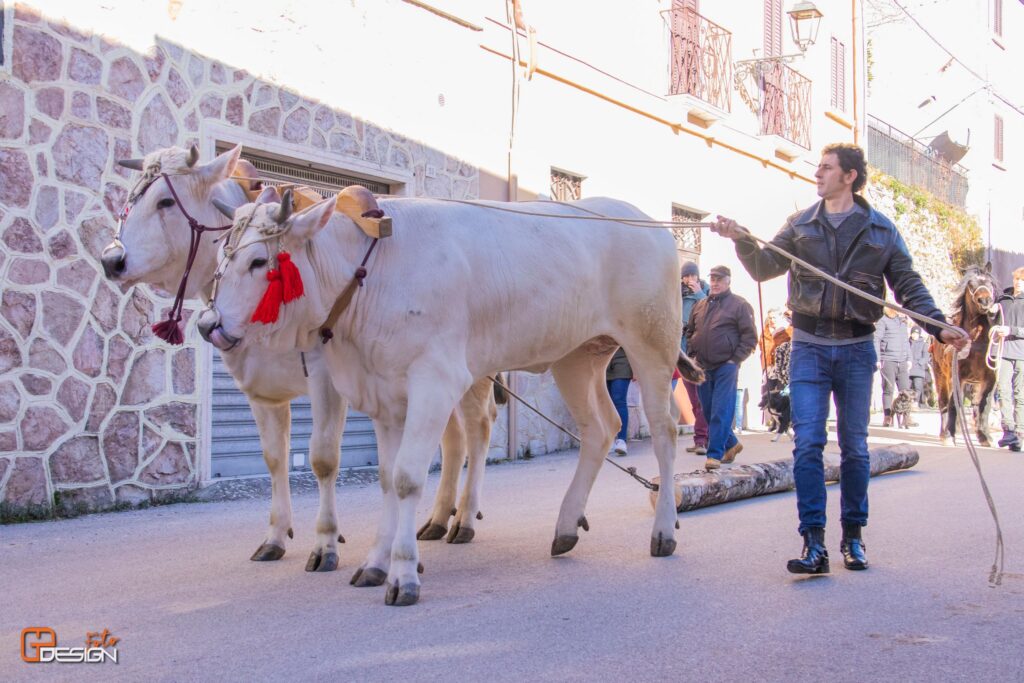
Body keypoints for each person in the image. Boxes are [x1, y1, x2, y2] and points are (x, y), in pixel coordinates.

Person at [711, 142, 969, 575]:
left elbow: (909, 287)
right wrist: (741, 239)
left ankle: (853, 537)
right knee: (807, 443)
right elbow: (764, 267)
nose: (817, 175)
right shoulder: (800, 224)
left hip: (855, 348)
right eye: (818, 168)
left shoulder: (881, 231)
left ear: (849, 176)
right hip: (809, 346)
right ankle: (814, 544)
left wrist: (938, 326)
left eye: (826, 169)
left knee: (855, 448)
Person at [683, 265, 757, 471]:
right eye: (712, 279)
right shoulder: (700, 305)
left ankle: (714, 454)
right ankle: (732, 443)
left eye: (719, 279)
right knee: (706, 409)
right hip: (702, 365)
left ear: (728, 281)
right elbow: (690, 332)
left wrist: (735, 360)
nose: (715, 283)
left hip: (726, 365)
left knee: (720, 409)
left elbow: (750, 337)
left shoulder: (740, 305)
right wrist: (691, 356)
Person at [680, 261, 709, 455]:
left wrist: (699, 293)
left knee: (703, 401)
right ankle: (701, 439)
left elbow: (711, 315)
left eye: (693, 275)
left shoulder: (706, 294)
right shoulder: (677, 295)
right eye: (687, 276)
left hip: (702, 353)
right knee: (693, 401)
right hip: (683, 353)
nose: (690, 279)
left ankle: (703, 440)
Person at [994, 267, 1024, 452]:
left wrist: (1011, 330)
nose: (1018, 282)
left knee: (1020, 394)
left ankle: (1020, 431)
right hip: (1003, 352)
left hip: (1022, 353)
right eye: (1017, 279)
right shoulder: (1003, 299)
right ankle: (1009, 430)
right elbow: (993, 319)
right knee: (1003, 391)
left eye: (1022, 280)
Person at [874, 308, 911, 426]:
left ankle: (907, 418)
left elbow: (906, 341)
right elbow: (876, 339)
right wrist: (877, 358)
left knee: (905, 390)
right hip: (888, 359)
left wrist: (910, 358)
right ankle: (887, 416)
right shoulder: (883, 320)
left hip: (903, 361)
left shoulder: (903, 322)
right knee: (888, 390)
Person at [606, 347, 632, 456]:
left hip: (622, 359)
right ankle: (609, 440)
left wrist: (636, 367)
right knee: (605, 402)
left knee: (619, 399)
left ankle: (621, 440)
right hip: (601, 359)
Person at [908, 326, 930, 408]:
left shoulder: (924, 344)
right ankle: (908, 402)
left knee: (918, 387)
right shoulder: (907, 342)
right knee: (907, 387)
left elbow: (926, 357)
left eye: (916, 333)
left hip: (919, 370)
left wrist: (919, 363)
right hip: (908, 369)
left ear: (919, 334)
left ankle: (915, 402)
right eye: (913, 333)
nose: (914, 335)